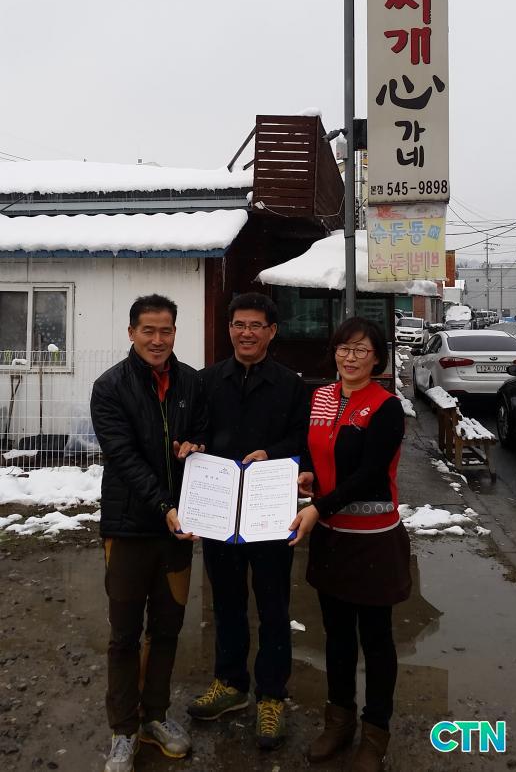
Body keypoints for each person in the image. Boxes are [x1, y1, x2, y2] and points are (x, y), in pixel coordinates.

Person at [184, 292, 309, 750]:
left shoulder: (291, 385)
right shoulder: (207, 381)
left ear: (272, 332)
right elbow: (196, 431)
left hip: (268, 512)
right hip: (219, 512)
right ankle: (231, 683)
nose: (246, 333)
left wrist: (271, 454)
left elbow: (302, 439)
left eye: (256, 325)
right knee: (227, 603)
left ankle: (272, 695)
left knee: (273, 606)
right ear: (229, 329)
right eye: (239, 324)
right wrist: (193, 446)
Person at [91, 294, 207, 772]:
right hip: (130, 528)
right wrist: (165, 506)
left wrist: (196, 445)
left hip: (177, 529)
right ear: (132, 333)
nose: (158, 340)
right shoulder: (110, 387)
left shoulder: (191, 382)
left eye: (166, 331)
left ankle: (155, 715)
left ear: (175, 332)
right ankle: (123, 729)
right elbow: (122, 457)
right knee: (124, 634)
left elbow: (203, 433)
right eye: (149, 331)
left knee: (167, 628)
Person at [289, 316, 411, 772]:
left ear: (377, 359)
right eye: (344, 348)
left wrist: (319, 506)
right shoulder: (320, 397)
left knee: (376, 640)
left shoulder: (386, 407)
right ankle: (337, 722)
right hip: (332, 537)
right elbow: (315, 449)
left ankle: (375, 733)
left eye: (361, 350)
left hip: (373, 540)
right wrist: (307, 473)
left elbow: (370, 474)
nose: (351, 357)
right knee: (337, 636)